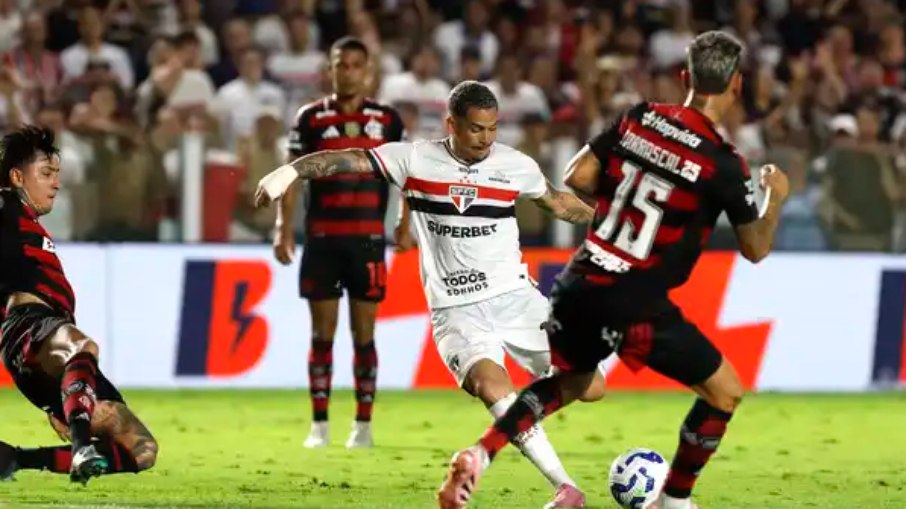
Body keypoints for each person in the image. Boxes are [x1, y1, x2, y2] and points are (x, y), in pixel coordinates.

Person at [434, 31, 790, 509]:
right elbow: (756, 247)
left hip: (579, 281)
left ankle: (481, 452)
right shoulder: (722, 162)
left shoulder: (641, 118)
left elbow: (577, 176)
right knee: (724, 393)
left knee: (571, 383)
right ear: (738, 84)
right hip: (634, 298)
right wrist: (775, 198)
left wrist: (627, 199)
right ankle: (674, 502)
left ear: (685, 76)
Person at [255, 80, 608, 509]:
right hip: (456, 311)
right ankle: (565, 487)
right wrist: (290, 171)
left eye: (493, 129)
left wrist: (611, 223)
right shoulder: (414, 159)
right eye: (476, 129)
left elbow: (559, 203)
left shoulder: (516, 165)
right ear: (451, 124)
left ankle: (509, 435)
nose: (486, 139)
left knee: (592, 385)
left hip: (516, 299)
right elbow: (344, 160)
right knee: (491, 386)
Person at [0, 126, 158, 484]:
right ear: (17, 177)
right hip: (31, 327)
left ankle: (15, 458)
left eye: (57, 174)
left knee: (142, 449)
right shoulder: (5, 206)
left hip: (53, 354)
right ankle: (82, 445)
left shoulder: (27, 226)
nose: (56, 183)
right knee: (83, 345)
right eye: (46, 173)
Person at [272, 36, 404, 449]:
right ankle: (319, 425)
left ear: (367, 71)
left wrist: (404, 221)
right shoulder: (310, 118)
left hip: (368, 241)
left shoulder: (388, 120)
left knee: (364, 335)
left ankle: (362, 425)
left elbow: (407, 174)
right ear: (329, 70)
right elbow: (292, 173)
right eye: (339, 65)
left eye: (354, 65)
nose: (347, 72)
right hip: (323, 240)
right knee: (322, 335)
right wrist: (283, 226)